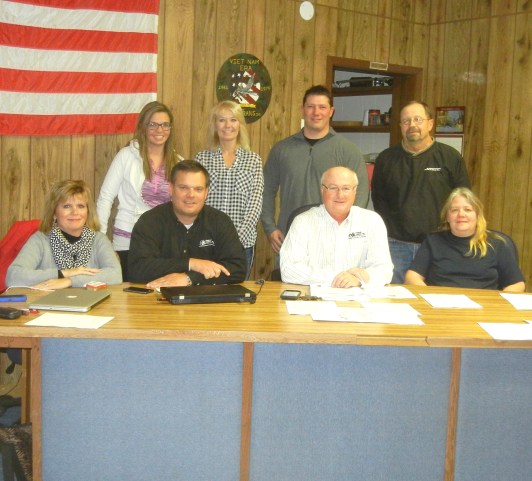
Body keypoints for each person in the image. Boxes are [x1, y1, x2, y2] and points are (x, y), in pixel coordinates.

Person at [261, 85, 369, 258]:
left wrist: (346, 230)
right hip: (290, 237)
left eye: (322, 107)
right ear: (302, 110)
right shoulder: (282, 149)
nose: (316, 112)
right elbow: (264, 191)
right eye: (310, 107)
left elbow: (361, 193)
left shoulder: (348, 150)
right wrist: (270, 228)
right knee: (289, 284)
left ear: (331, 111)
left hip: (334, 240)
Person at [371, 100, 471, 284]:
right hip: (395, 247)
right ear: (400, 126)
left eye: (418, 119)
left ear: (430, 124)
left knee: (435, 301)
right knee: (395, 300)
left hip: (438, 244)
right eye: (406, 121)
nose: (412, 125)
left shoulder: (450, 157)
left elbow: (463, 199)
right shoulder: (386, 159)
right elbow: (379, 200)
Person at [96, 101, 181, 281]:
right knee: (129, 297)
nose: (160, 130)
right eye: (153, 124)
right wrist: (100, 242)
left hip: (163, 243)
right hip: (128, 241)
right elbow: (105, 199)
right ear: (143, 127)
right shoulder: (126, 156)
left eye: (165, 125)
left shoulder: (178, 162)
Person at [128, 160, 247, 288]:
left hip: (207, 303)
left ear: (206, 193)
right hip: (158, 301)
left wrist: (190, 278)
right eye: (183, 188)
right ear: (171, 189)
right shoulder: (149, 222)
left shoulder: (220, 221)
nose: (191, 195)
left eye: (198, 189)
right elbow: (137, 269)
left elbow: (237, 269)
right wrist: (191, 263)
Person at [280, 167, 393, 288]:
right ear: (322, 190)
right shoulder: (303, 222)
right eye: (333, 188)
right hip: (315, 300)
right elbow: (289, 269)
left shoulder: (372, 221)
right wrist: (340, 278)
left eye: (346, 188)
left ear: (355, 191)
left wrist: (358, 280)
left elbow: (384, 269)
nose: (340, 195)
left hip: (358, 300)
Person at [6, 180, 122, 289]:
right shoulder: (41, 239)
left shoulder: (98, 239)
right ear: (54, 212)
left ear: (88, 211)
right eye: (67, 206)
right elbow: (13, 276)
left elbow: (115, 275)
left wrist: (70, 281)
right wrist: (64, 273)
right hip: (47, 304)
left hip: (90, 306)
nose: (75, 212)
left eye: (80, 206)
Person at [405, 187, 525, 292]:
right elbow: (412, 276)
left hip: (483, 309)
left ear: (477, 215)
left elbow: (517, 284)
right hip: (441, 306)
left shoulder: (498, 244)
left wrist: (497, 303)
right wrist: (428, 296)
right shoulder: (433, 241)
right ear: (447, 216)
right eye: (455, 210)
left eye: (468, 209)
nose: (461, 214)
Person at [195, 100, 263, 278]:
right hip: (207, 243)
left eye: (233, 120)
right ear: (214, 125)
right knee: (205, 291)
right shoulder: (202, 159)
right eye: (221, 120)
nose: (228, 125)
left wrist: (233, 241)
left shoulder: (253, 160)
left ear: (240, 124)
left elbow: (255, 205)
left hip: (242, 244)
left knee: (236, 292)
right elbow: (195, 202)